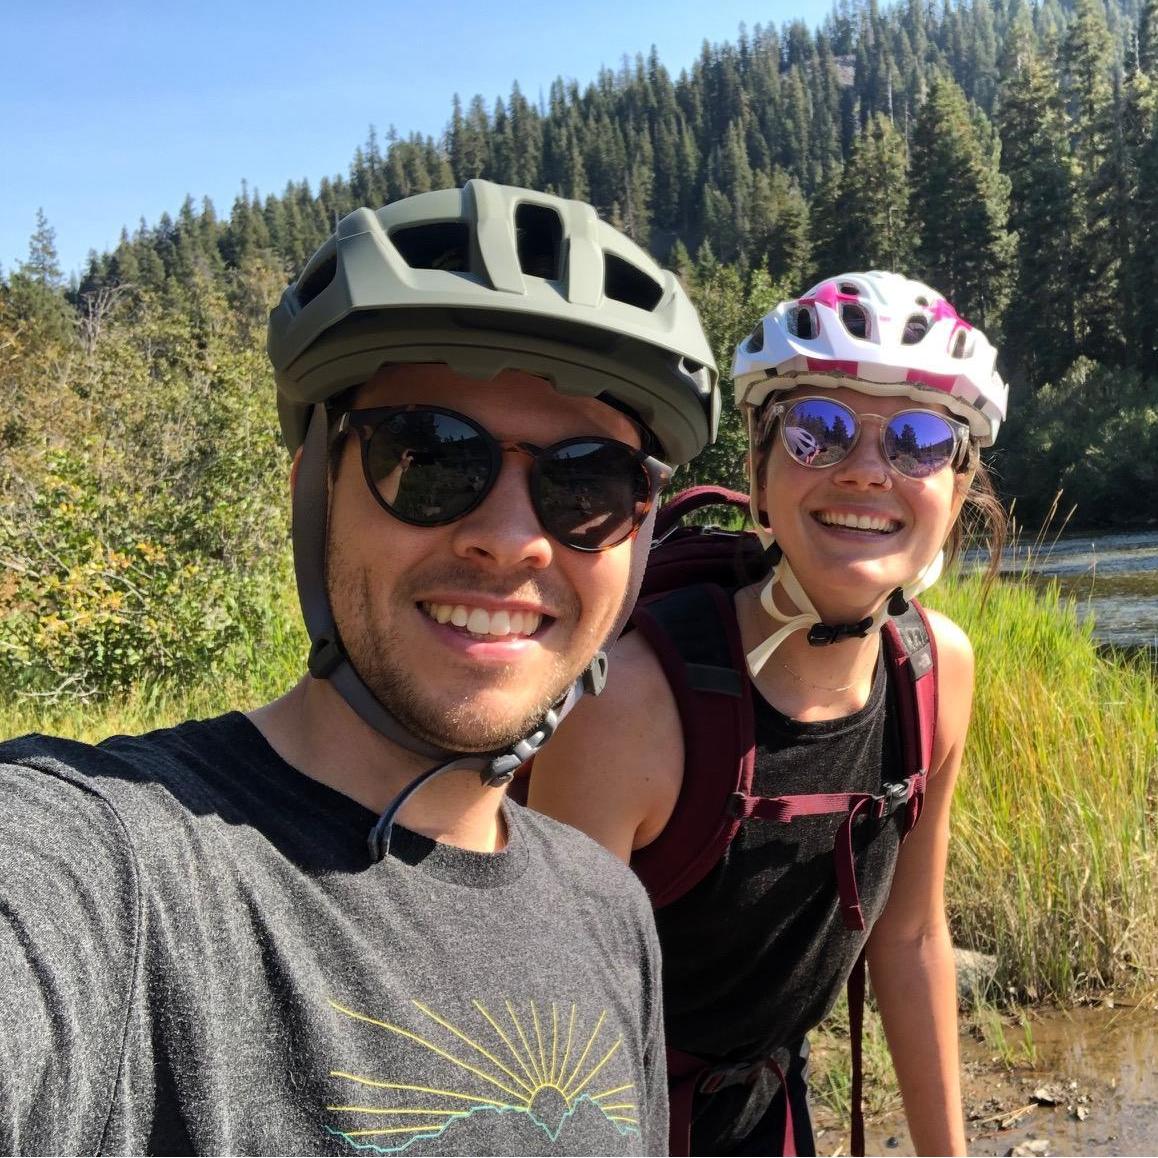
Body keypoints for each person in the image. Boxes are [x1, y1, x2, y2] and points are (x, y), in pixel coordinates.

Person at [0, 181, 720, 1156]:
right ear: (316, 489)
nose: (512, 542)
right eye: (430, 456)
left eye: (587, 483)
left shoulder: (608, 912)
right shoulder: (110, 871)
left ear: (638, 535)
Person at [528, 271, 1009, 1156]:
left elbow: (908, 941)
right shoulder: (633, 702)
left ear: (959, 480)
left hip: (772, 1112)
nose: (867, 470)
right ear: (759, 461)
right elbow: (553, 1024)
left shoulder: (935, 671)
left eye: (918, 440)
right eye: (818, 430)